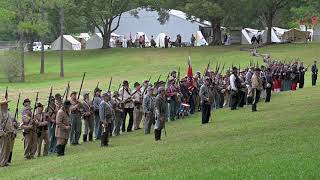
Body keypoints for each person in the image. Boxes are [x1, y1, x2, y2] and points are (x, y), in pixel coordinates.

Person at [0, 99, 14, 166]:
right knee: (3, 149)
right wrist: (2, 133)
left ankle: (5, 162)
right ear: (2, 105)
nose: (7, 105)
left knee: (8, 149)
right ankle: (2, 162)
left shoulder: (8, 113)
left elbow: (10, 123)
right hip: (4, 133)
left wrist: (12, 130)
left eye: (7, 104)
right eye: (5, 104)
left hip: (9, 133)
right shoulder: (0, 113)